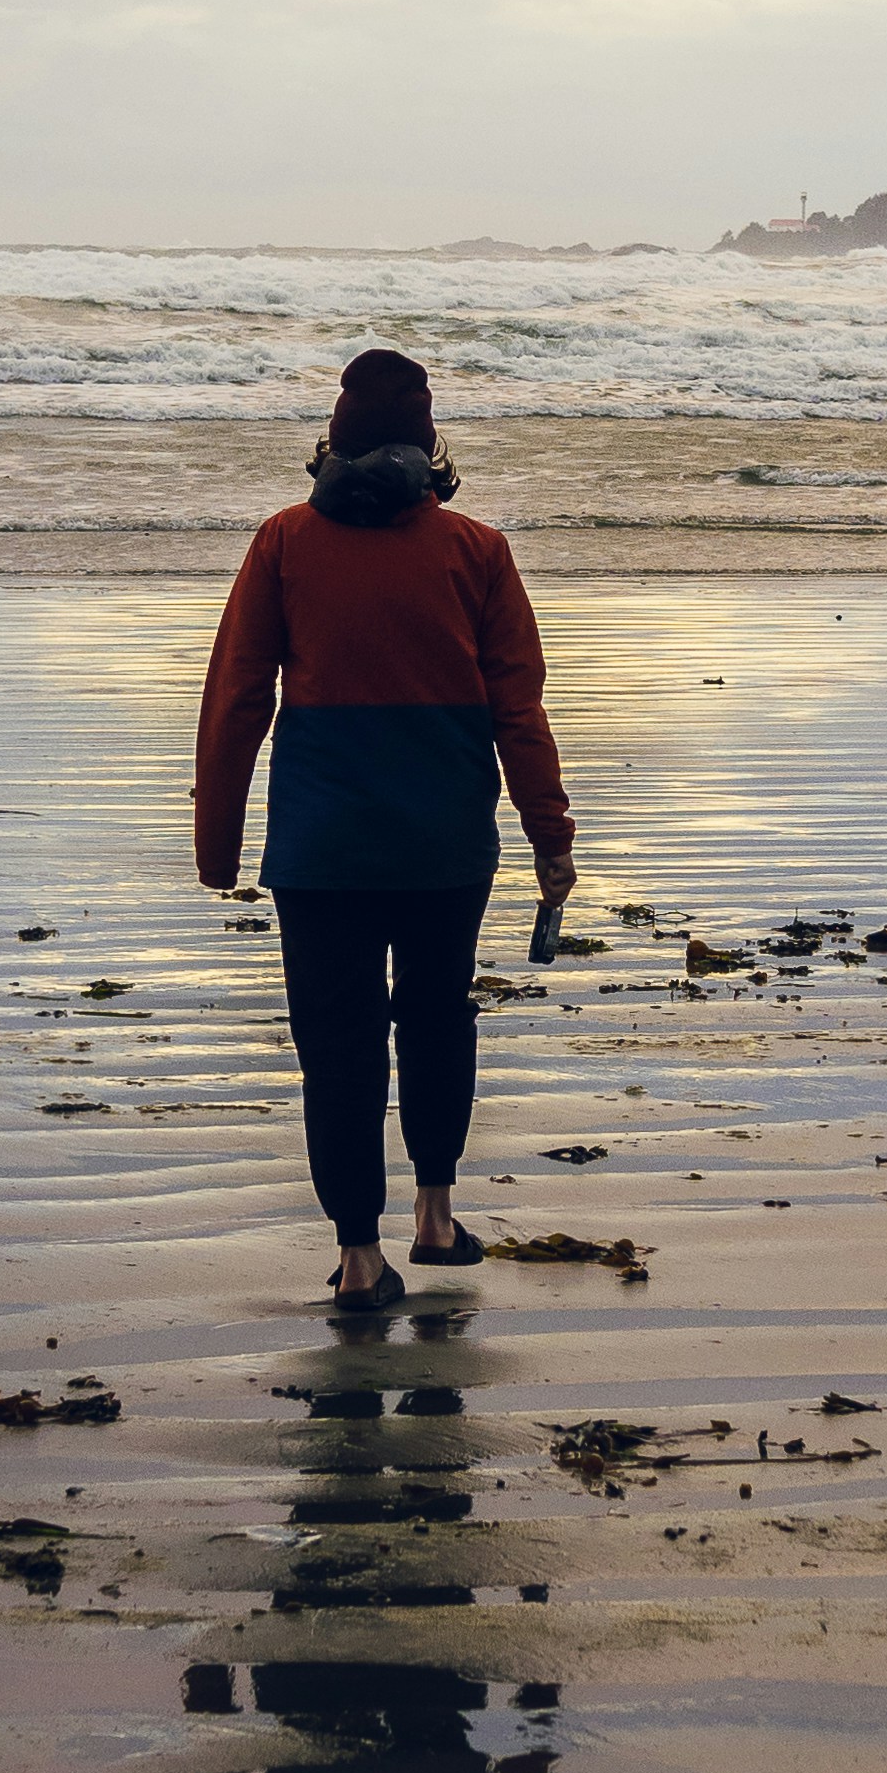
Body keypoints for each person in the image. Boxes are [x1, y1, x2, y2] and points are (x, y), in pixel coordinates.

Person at [193, 347, 578, 1309]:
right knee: (439, 1017)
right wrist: (549, 837)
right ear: (429, 445)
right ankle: (437, 1216)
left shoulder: (283, 539)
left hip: (322, 846)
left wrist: (218, 846)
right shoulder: (476, 548)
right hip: (445, 838)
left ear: (332, 443)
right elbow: (518, 710)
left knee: (338, 1041)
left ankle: (359, 1256)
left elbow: (237, 694)